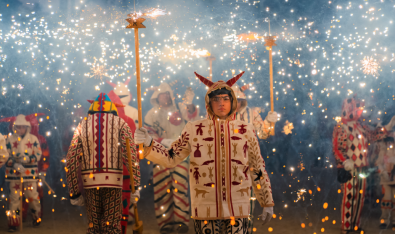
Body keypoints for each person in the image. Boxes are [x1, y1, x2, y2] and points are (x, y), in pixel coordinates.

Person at [136, 71, 274, 234]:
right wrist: (149, 143)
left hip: (238, 208)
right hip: (205, 210)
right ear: (209, 102)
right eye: (216, 99)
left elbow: (257, 167)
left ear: (233, 102)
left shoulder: (246, 130)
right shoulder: (194, 129)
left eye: (225, 98)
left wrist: (266, 202)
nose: (221, 103)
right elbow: (171, 158)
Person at [65, 92, 140, 234]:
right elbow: (131, 156)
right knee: (111, 226)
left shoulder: (83, 124)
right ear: (112, 108)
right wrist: (134, 186)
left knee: (94, 226)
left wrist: (74, 192)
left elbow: (71, 159)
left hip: (90, 183)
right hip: (113, 182)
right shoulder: (121, 123)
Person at [332, 95, 395, 234]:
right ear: (349, 108)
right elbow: (338, 148)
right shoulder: (341, 127)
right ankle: (346, 226)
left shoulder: (361, 126)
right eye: (357, 108)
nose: (360, 111)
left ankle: (355, 224)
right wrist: (345, 161)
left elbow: (374, 135)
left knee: (359, 198)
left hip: (362, 167)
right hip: (349, 169)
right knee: (349, 197)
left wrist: (388, 127)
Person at [144, 82, 199, 233]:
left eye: (168, 93)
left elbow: (193, 117)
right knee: (161, 190)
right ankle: (165, 223)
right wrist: (163, 142)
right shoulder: (151, 114)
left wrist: (190, 104)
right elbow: (148, 134)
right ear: (157, 96)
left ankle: (182, 222)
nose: (166, 96)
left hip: (181, 155)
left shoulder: (180, 109)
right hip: (160, 155)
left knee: (180, 188)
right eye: (163, 94)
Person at [233, 84, 277, 233]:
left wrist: (269, 123)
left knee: (246, 210)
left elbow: (263, 133)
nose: (236, 104)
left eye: (238, 100)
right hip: (226, 169)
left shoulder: (251, 114)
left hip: (247, 165)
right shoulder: (220, 117)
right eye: (232, 100)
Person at [0, 113, 50, 222]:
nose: (20, 129)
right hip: (14, 174)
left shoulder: (34, 139)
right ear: (14, 127)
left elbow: (38, 154)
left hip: (30, 173)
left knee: (32, 197)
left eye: (23, 127)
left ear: (27, 127)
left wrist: (29, 159)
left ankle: (36, 217)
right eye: (18, 127)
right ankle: (14, 222)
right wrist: (14, 163)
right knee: (14, 199)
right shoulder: (9, 140)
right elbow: (5, 155)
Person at [376, 129, 395, 229]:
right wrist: (383, 172)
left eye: (391, 141)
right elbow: (379, 164)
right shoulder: (383, 153)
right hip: (386, 180)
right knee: (386, 199)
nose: (389, 144)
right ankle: (384, 219)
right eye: (388, 142)